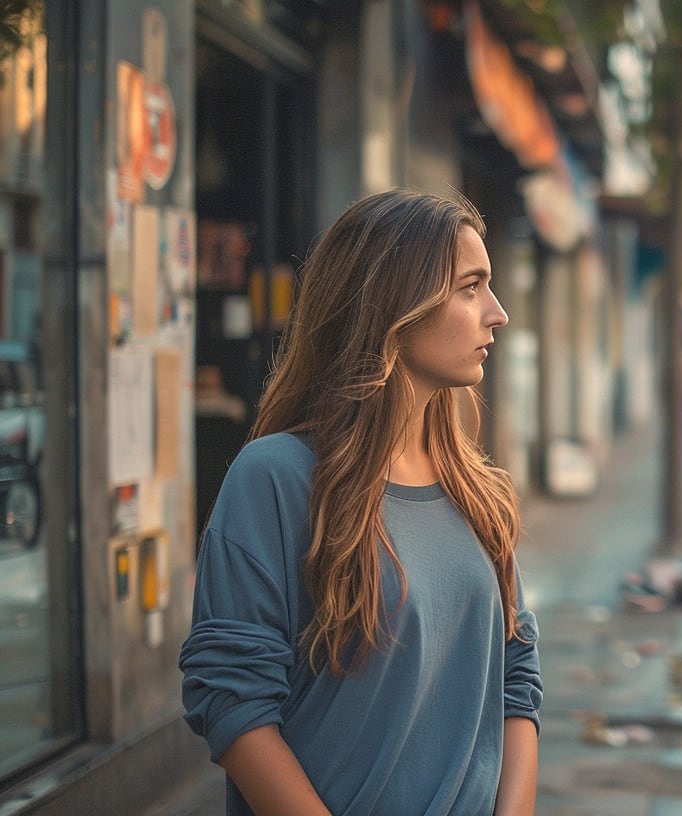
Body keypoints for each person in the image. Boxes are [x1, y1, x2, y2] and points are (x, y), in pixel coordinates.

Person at [179, 189, 542, 815]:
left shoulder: (478, 491)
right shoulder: (275, 479)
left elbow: (517, 677)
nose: (498, 313)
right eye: (471, 286)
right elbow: (232, 703)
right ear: (396, 305)